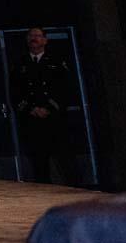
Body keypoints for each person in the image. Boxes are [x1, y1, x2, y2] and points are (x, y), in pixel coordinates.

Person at [10, 27, 78, 185]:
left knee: (64, 157)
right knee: (38, 159)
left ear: (45, 40)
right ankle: (44, 192)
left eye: (38, 36)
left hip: (54, 117)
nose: (34, 38)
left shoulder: (56, 62)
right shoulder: (20, 63)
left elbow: (66, 88)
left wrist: (50, 108)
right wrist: (30, 109)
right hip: (31, 119)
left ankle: (74, 191)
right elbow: (15, 91)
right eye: (31, 36)